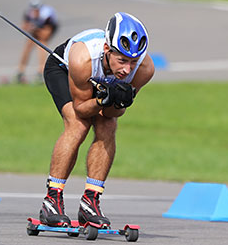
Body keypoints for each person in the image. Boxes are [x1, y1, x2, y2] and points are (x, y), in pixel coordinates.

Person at [40, 12, 155, 227]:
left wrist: (118, 102)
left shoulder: (145, 70)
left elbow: (111, 115)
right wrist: (103, 100)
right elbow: (83, 108)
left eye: (133, 62)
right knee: (78, 124)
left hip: (99, 84)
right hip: (65, 71)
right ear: (106, 50)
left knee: (108, 126)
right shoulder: (82, 58)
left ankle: (90, 201)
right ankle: (52, 200)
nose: (127, 70)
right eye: (122, 60)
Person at [16, 0, 59, 84]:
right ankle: (21, 70)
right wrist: (30, 28)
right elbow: (24, 26)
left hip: (46, 28)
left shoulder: (46, 14)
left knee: (42, 44)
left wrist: (35, 29)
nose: (35, 11)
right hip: (36, 29)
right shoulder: (29, 13)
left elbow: (47, 32)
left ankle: (41, 70)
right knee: (28, 45)